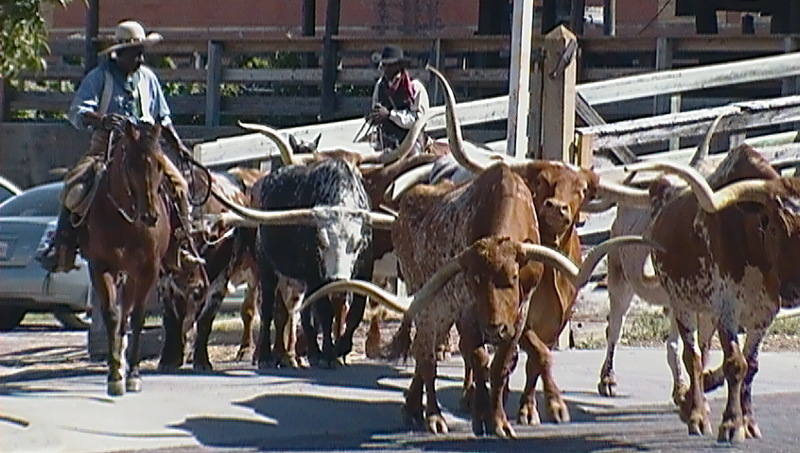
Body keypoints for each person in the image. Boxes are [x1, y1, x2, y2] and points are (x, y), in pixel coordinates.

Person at [37, 20, 203, 273]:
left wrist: (178, 145)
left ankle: (182, 246)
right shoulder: (99, 77)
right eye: (135, 52)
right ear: (120, 53)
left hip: (147, 149)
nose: (140, 58)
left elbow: (163, 117)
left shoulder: (149, 79)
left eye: (141, 52)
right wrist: (102, 120)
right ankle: (61, 245)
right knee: (75, 187)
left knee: (179, 186)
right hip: (106, 146)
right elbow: (77, 111)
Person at [366, 45, 431, 156]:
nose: (385, 69)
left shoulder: (415, 87)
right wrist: (373, 117)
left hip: (410, 141)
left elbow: (419, 120)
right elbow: (375, 109)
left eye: (389, 65)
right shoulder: (380, 86)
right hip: (386, 141)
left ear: (399, 66)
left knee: (414, 157)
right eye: (384, 65)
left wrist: (390, 114)